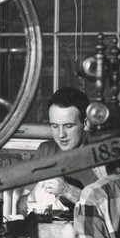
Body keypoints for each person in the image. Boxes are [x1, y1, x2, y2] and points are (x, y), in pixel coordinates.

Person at [21, 86, 97, 214]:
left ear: (86, 124)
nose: (61, 134)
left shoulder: (100, 156)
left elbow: (109, 212)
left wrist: (67, 191)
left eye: (68, 126)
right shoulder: (46, 151)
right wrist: (32, 196)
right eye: (55, 126)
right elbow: (20, 209)